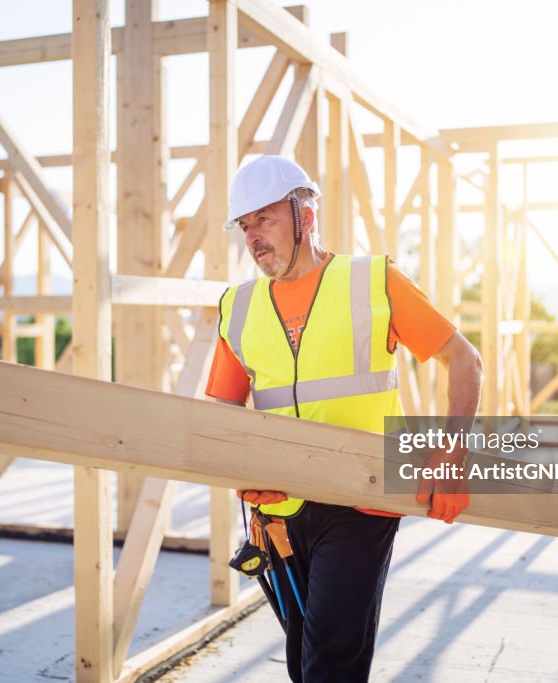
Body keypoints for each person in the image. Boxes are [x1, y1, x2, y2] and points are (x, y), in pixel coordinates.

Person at [206, 155, 483, 682]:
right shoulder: (237, 307)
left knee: (330, 661)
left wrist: (452, 454)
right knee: (302, 660)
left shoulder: (373, 281)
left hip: (362, 501)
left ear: (304, 216)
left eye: (264, 219)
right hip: (278, 513)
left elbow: (464, 361)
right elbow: (224, 410)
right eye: (245, 226)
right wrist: (241, 473)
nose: (253, 237)